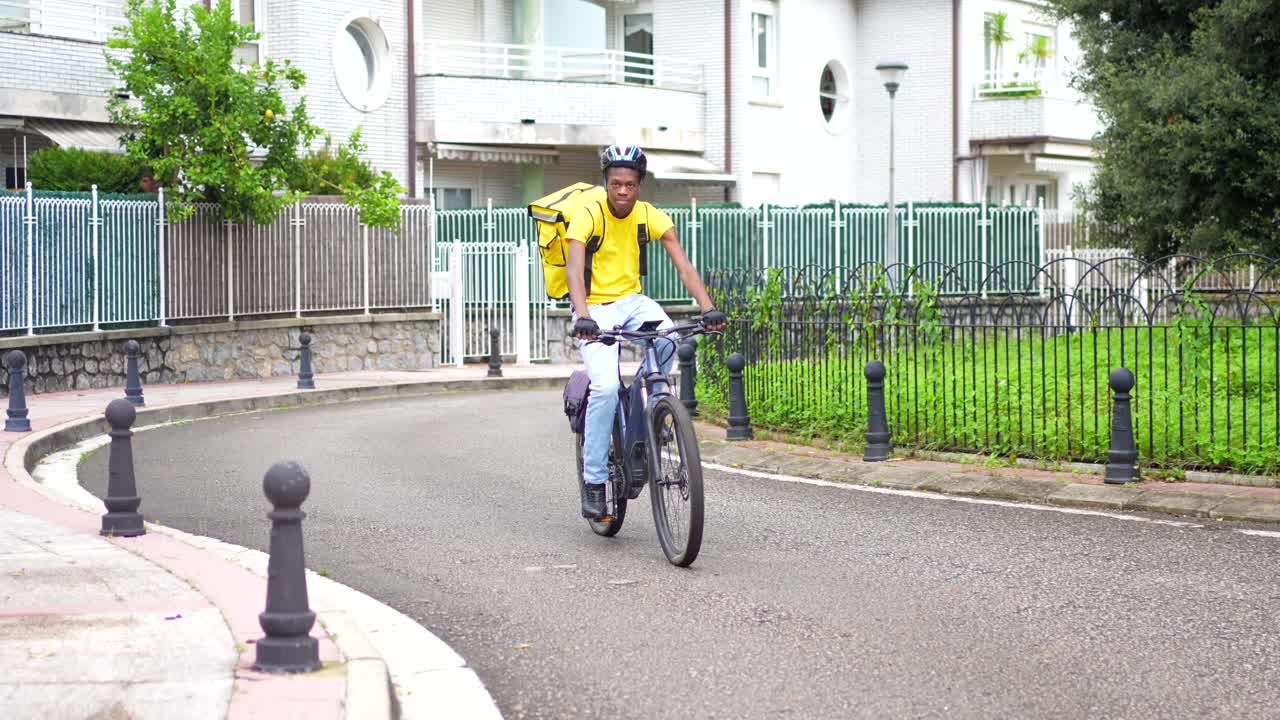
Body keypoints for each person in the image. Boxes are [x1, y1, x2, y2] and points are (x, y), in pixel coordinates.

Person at [567, 144, 727, 519]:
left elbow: (684, 265)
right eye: (616, 183)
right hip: (594, 306)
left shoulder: (649, 216)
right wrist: (584, 316)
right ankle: (593, 482)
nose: (623, 191)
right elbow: (575, 269)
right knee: (605, 387)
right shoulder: (587, 215)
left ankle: (652, 405)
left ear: (640, 186)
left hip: (632, 301)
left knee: (670, 335)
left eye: (631, 185)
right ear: (606, 182)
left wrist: (707, 307)